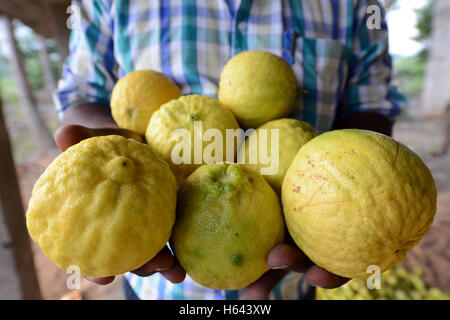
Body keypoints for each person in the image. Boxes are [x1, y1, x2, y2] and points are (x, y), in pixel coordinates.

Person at [53, 0, 405, 300]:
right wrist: (118, 143)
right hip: (153, 277)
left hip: (297, 254)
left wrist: (354, 206)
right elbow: (81, 95)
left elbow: (373, 105)